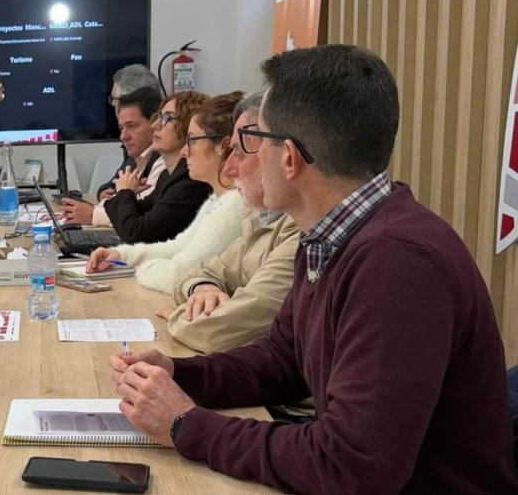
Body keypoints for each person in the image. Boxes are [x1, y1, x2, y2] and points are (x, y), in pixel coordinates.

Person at [110, 46, 518, 493]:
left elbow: (351, 466)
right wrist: (179, 373)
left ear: (289, 157)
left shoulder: (395, 263)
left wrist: (185, 424)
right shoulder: (329, 236)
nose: (237, 161)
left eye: (251, 140)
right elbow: (282, 360)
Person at [153, 92, 300, 356]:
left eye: (239, 153)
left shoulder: (302, 230)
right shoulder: (259, 216)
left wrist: (180, 313)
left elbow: (215, 331)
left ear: (287, 157)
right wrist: (203, 289)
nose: (230, 169)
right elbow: (201, 271)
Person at [87, 93, 247, 295]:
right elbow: (176, 247)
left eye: (192, 141)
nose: (184, 151)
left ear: (223, 146)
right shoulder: (218, 199)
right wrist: (121, 255)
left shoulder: (234, 205)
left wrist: (141, 267)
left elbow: (179, 273)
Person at [101, 91, 212, 243]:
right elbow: (142, 213)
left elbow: (137, 234)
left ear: (189, 127)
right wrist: (125, 195)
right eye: (160, 117)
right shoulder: (167, 175)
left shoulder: (190, 180)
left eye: (167, 118)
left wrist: (125, 192)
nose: (155, 125)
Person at [62, 86, 167, 226]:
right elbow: (120, 199)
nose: (124, 136)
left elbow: (142, 216)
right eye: (121, 128)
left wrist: (93, 214)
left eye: (132, 126)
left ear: (155, 124)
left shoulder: (164, 161)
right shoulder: (139, 158)